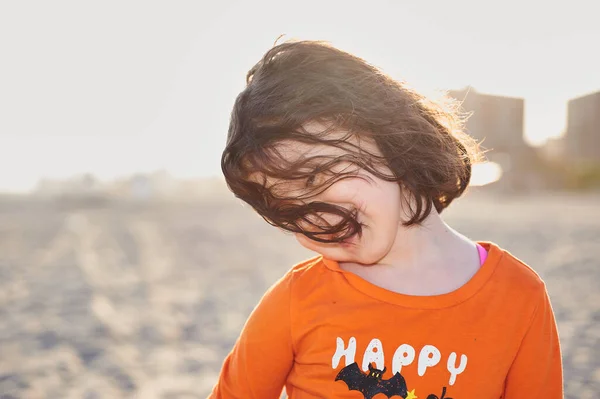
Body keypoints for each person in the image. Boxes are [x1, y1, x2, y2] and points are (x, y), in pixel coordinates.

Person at [209, 40, 563, 398]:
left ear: (385, 132)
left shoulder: (519, 298)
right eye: (289, 211)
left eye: (315, 177)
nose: (314, 217)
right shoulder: (297, 300)